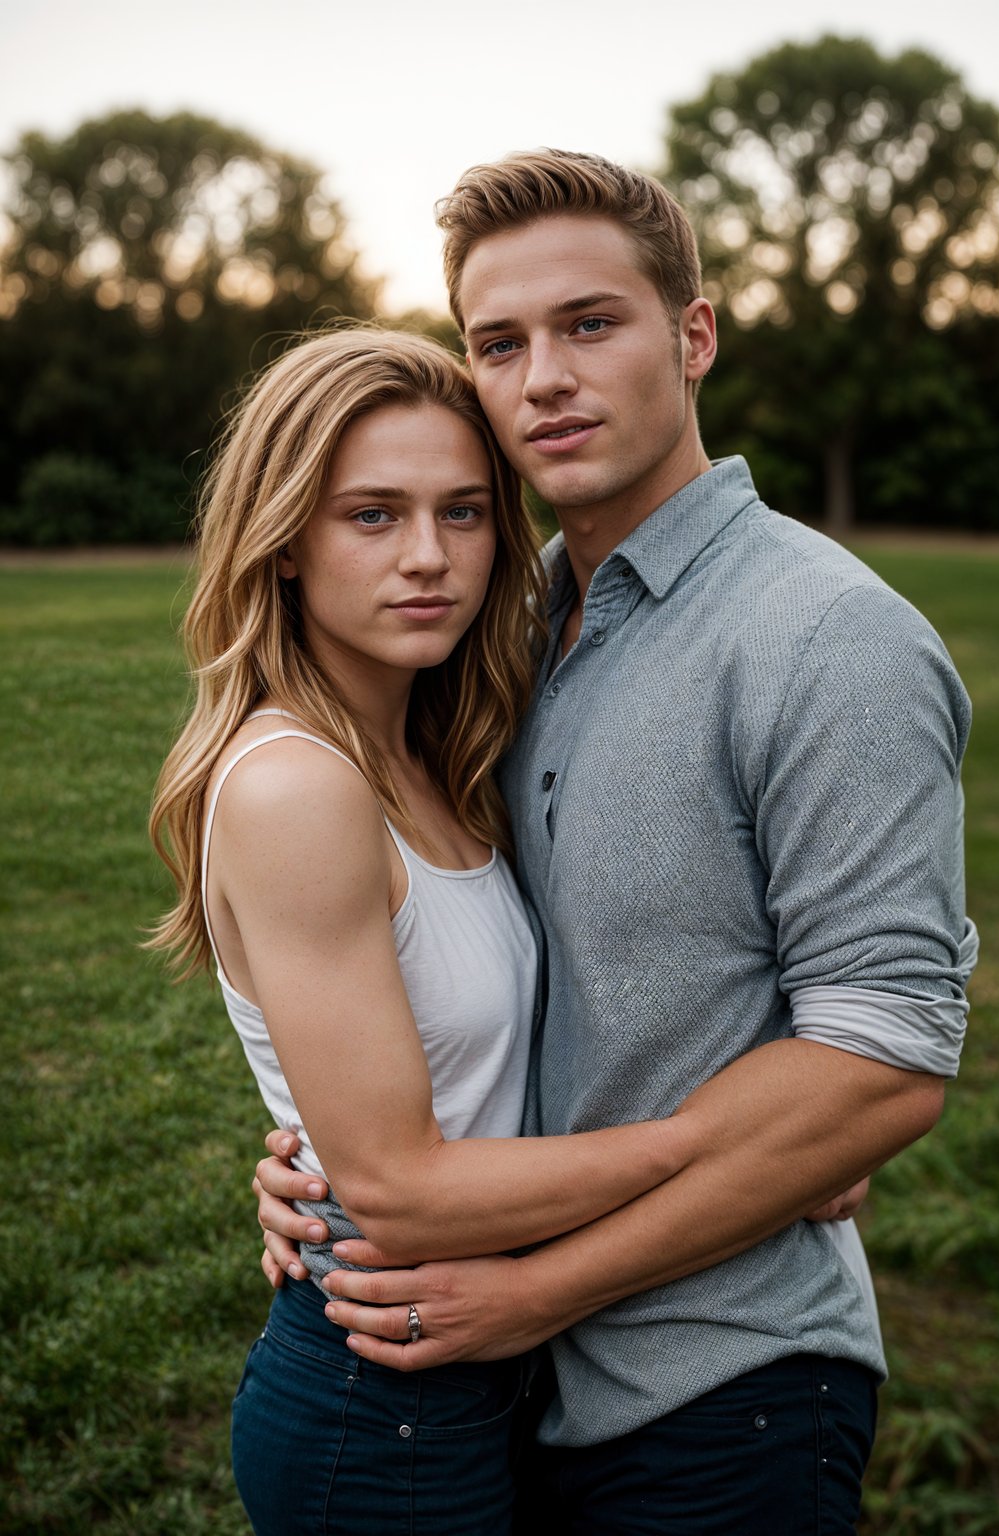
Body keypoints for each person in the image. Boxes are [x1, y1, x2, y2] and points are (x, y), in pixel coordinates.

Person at [253, 153, 976, 1533]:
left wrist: (541, 1287)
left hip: (722, 1383)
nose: (545, 380)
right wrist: (326, 1156)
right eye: (500, 344)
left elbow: (883, 1065)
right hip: (487, 1379)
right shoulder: (493, 626)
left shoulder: (831, 639)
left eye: (593, 324)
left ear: (693, 335)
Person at [149, 326, 788, 1534]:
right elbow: (398, 1185)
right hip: (380, 1387)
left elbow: (421, 1089)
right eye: (373, 516)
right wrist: (739, 1155)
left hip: (490, 1366)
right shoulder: (298, 784)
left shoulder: (438, 754)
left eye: (462, 512)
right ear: (284, 542)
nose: (429, 558)